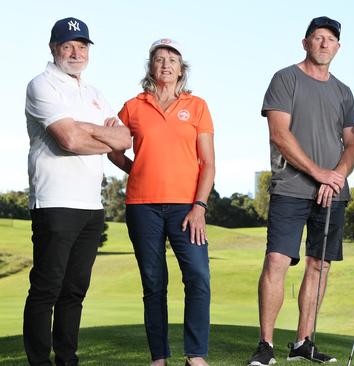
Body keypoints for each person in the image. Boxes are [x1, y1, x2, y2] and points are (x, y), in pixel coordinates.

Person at [247, 16, 354, 366]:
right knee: (277, 261)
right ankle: (266, 344)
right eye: (318, 38)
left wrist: (337, 177)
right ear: (305, 43)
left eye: (331, 39)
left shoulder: (343, 91)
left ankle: (303, 342)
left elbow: (352, 145)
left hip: (332, 194)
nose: (324, 44)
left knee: (319, 266)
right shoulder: (285, 79)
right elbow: (279, 134)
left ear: (338, 47)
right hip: (291, 188)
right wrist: (320, 174)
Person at [23, 17, 131, 366]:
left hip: (91, 205)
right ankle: (39, 361)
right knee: (46, 289)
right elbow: (68, 140)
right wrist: (100, 133)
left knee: (74, 292)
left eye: (81, 46)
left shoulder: (94, 93)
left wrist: (84, 128)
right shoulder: (42, 85)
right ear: (54, 48)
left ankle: (67, 359)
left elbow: (124, 140)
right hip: (54, 201)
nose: (75, 52)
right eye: (67, 45)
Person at [108, 38, 215, 366]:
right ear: (150, 67)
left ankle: (195, 355)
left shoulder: (197, 106)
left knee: (197, 275)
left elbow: (208, 163)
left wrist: (200, 206)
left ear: (181, 69)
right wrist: (134, 169)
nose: (166, 64)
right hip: (142, 207)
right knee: (154, 282)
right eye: (159, 59)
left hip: (187, 207)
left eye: (172, 59)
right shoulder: (133, 106)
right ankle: (159, 357)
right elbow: (113, 148)